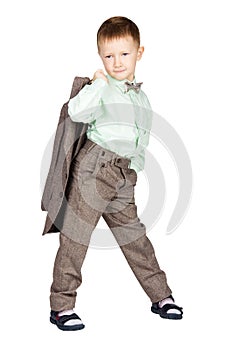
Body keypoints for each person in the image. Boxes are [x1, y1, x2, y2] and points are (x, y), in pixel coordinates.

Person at [49, 16, 183, 331]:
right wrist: (97, 84)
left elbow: (142, 136)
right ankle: (61, 307)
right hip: (92, 171)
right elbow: (75, 111)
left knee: (135, 238)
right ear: (100, 57)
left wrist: (134, 168)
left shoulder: (141, 97)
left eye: (124, 54)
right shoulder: (101, 89)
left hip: (123, 175)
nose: (116, 61)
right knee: (76, 239)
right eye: (108, 56)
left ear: (139, 52)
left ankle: (161, 296)